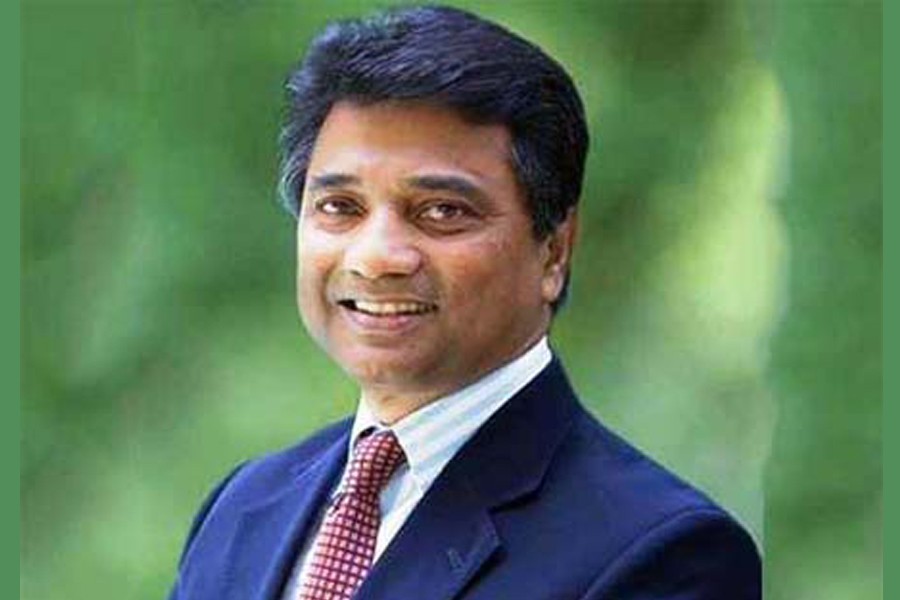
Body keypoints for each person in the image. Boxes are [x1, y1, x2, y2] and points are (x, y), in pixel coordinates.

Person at [168, 5, 761, 599]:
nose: (375, 258)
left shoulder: (665, 554)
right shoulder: (242, 508)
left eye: (442, 211)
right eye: (340, 207)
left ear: (553, 251)